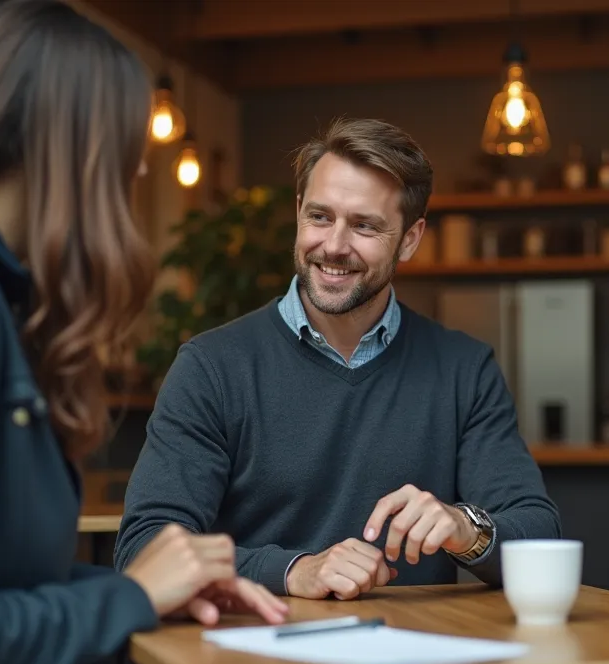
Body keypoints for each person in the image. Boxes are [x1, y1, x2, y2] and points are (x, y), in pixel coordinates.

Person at [0, 3, 288, 664]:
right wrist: (130, 598)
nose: (140, 172)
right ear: (70, 145)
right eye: (127, 146)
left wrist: (146, 593)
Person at [113, 117, 561, 601]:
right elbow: (145, 546)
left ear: (410, 239)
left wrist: (463, 525)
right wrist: (291, 570)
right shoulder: (211, 368)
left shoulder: (465, 370)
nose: (333, 245)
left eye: (365, 225)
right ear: (299, 210)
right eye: (320, 217)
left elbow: (540, 537)